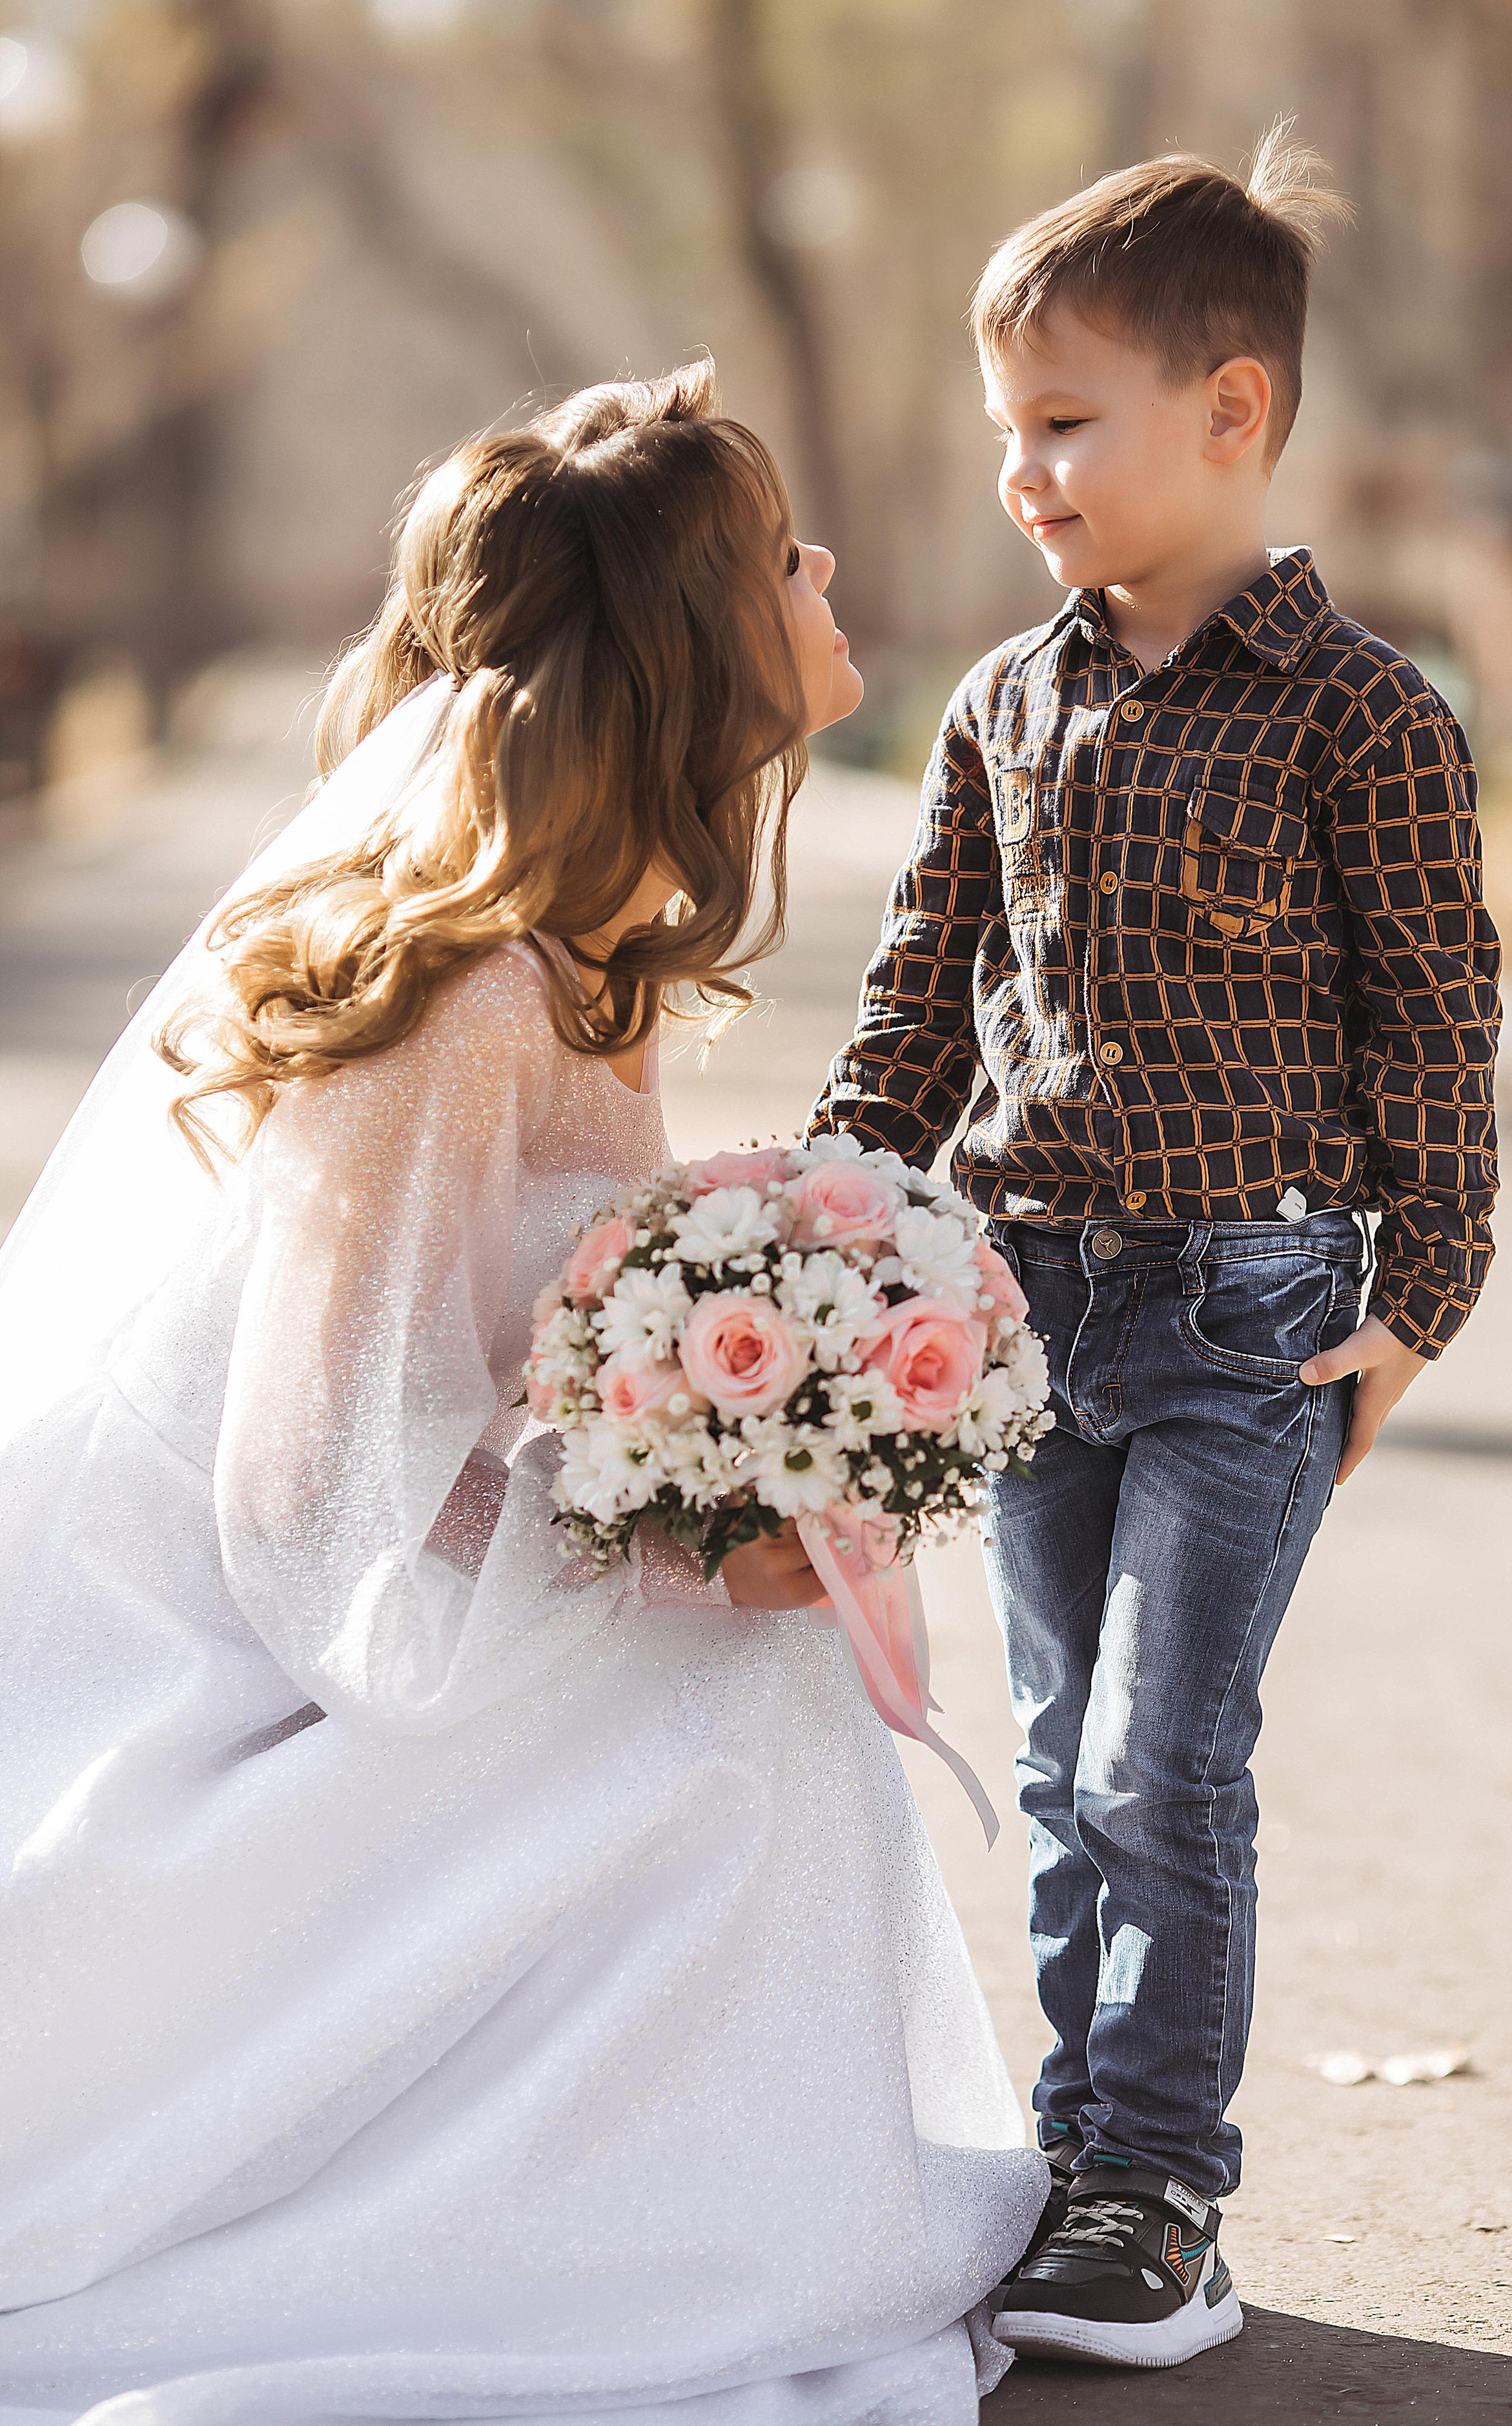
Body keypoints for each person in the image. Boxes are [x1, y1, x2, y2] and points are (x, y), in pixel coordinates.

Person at [0, 363, 1044, 2426]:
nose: (825, 568)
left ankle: (701, 2192)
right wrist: (659, 1532)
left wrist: (735, 1468)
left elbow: (519, 1368)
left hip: (377, 1565)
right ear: (682, 644)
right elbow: (304, 1489)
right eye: (777, 553)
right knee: (732, 1705)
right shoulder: (469, 990)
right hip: (232, 1660)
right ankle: (630, 2232)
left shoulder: (588, 949)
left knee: (760, 1670)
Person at [811, 127, 1501, 2369]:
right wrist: (823, 1219)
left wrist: (1414, 1307)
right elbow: (926, 991)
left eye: (1065, 423)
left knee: (1157, 1762)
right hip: (1023, 1313)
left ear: (1233, 412)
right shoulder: (1001, 706)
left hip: (1250, 1313)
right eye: (1005, 428)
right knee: (1047, 1758)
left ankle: (1162, 2197)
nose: (1024, 472)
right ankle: (1081, 2151)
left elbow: (1436, 1024)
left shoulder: (1363, 713)